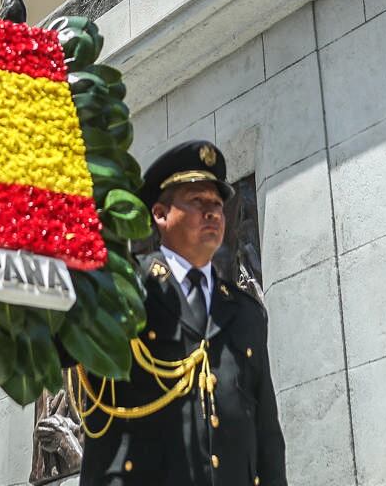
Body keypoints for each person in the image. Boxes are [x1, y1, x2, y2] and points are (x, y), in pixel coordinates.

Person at [74, 141, 286, 486]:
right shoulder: (123, 291)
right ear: (160, 214)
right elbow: (61, 348)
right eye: (197, 201)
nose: (213, 212)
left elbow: (267, 436)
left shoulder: (245, 312)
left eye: (217, 204)